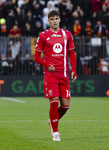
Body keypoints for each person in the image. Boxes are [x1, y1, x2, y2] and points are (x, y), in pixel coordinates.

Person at [34, 10, 77, 141]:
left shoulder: (67, 34)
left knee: (66, 105)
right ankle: (56, 132)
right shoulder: (43, 35)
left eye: (56, 18)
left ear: (60, 20)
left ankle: (52, 121)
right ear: (48, 21)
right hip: (50, 75)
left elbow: (71, 54)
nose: (54, 21)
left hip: (63, 74)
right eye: (52, 19)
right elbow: (36, 56)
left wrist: (73, 70)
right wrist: (47, 65)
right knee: (53, 103)